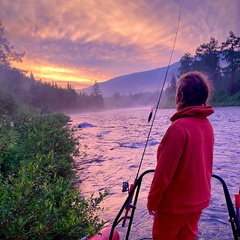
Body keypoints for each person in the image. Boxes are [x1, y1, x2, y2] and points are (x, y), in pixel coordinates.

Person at [147, 71, 214, 240]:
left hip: (174, 206)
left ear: (181, 96)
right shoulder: (207, 125)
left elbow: (164, 173)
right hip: (198, 202)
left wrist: (152, 200)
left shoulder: (179, 128)